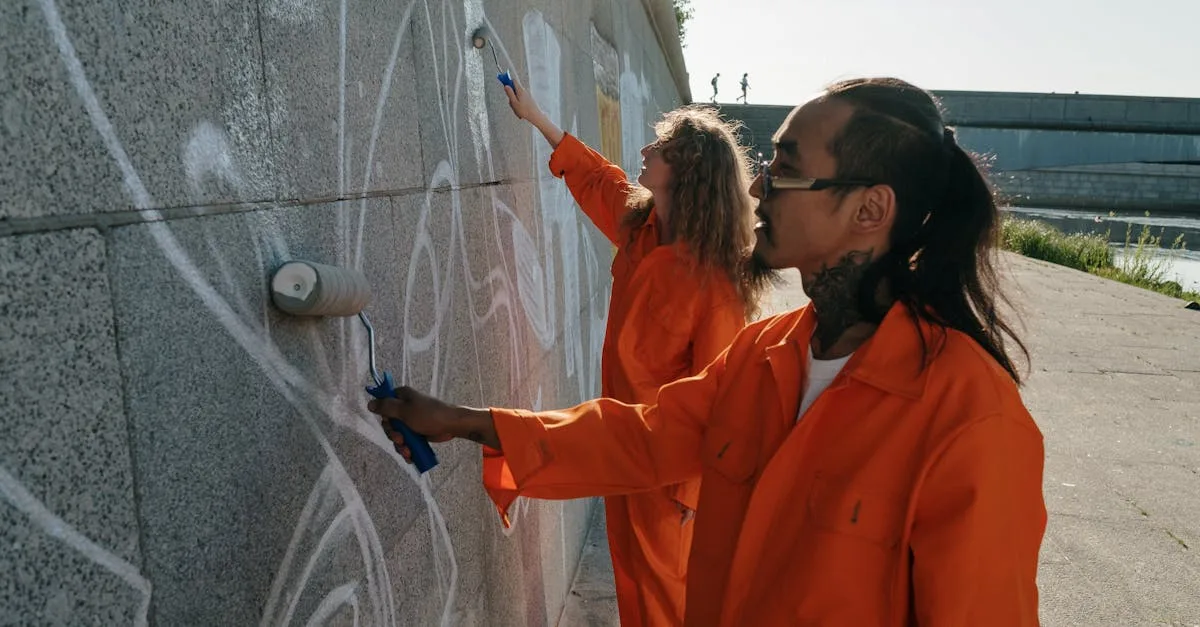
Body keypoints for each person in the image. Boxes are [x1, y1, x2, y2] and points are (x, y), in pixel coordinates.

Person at [370, 77, 1047, 626]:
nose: (757, 187)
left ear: (869, 210)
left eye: (785, 168)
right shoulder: (763, 357)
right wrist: (463, 420)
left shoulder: (969, 419)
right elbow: (640, 433)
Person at [481, 78, 765, 627]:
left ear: (685, 172)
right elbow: (594, 178)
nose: (644, 151)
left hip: (670, 477)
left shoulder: (717, 284)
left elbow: (722, 397)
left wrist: (691, 499)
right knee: (630, 580)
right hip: (621, 446)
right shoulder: (640, 227)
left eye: (659, 148)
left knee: (666, 600)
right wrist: (538, 118)